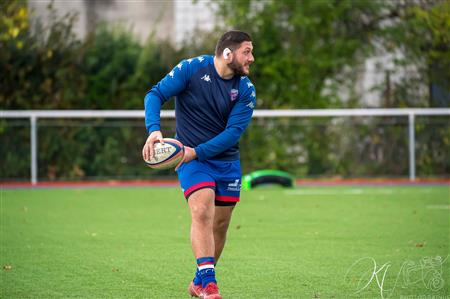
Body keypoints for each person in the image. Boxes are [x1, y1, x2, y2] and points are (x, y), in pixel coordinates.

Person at [142, 30, 256, 299]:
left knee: (220, 225)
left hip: (225, 162)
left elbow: (232, 134)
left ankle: (198, 281)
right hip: (191, 161)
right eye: (247, 52)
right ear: (228, 54)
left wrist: (197, 151)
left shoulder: (245, 90)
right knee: (202, 210)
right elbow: (155, 94)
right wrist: (154, 129)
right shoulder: (191, 69)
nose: (252, 58)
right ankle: (210, 285)